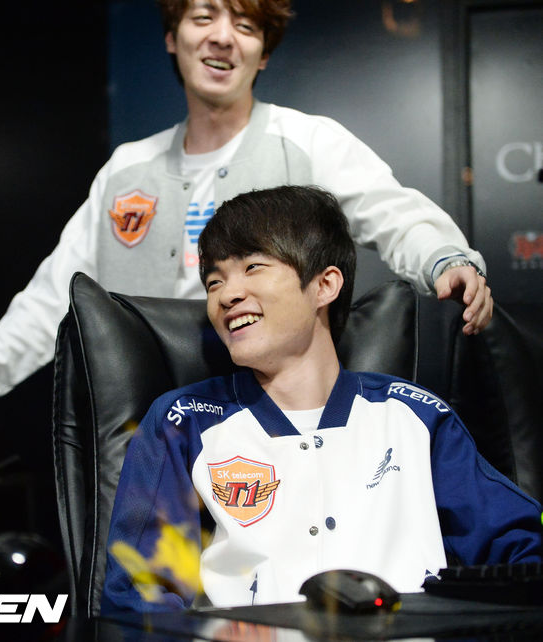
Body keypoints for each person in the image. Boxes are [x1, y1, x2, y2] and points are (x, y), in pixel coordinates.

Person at [0, 0, 493, 470]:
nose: (223, 37)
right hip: (148, 431)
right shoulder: (126, 169)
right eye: (203, 17)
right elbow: (52, 296)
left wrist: (445, 258)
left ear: (263, 54)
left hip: (278, 429)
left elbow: (395, 214)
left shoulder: (309, 142)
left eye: (246, 26)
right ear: (171, 37)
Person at [100, 185, 540, 613]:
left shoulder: (415, 415)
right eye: (214, 281)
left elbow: (523, 543)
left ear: (325, 285)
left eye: (253, 267)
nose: (227, 295)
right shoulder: (184, 421)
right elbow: (141, 594)